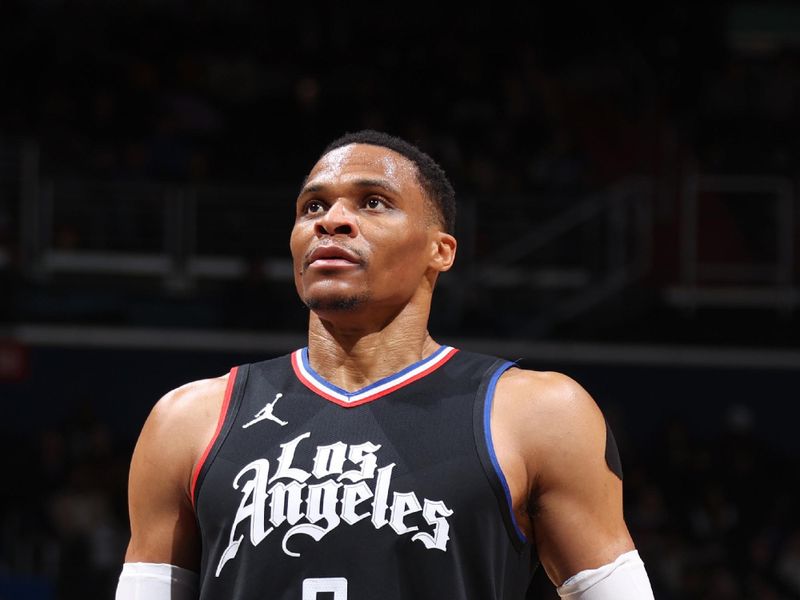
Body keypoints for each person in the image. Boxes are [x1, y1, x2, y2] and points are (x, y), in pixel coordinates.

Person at [116, 130, 655, 599]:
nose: (333, 222)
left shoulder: (538, 413)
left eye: (372, 202)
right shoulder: (189, 419)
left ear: (440, 251)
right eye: (313, 207)